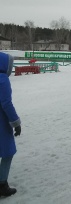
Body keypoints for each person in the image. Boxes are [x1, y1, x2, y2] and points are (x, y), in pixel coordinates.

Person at [0, 52, 21, 197]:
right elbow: (6, 103)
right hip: (1, 123)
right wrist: (16, 123)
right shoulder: (2, 79)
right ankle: (2, 185)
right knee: (8, 152)